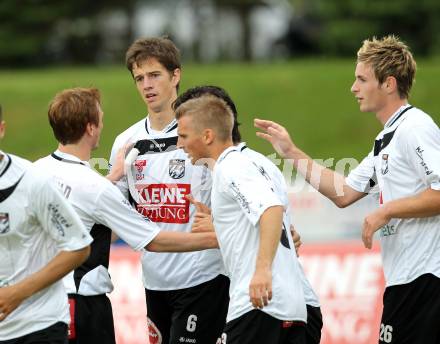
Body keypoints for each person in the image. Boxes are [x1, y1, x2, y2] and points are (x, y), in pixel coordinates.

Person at [254, 35, 440, 344]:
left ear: (389, 84)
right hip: (405, 281)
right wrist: (291, 151)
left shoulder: (415, 128)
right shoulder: (387, 138)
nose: (353, 88)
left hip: (426, 280)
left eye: (361, 79)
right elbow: (344, 192)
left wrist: (387, 210)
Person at [34, 87, 219, 344]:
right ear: (90, 128)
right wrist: (220, 238)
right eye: (100, 118)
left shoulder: (33, 172)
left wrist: (112, 178)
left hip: (36, 300)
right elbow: (153, 240)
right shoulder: (95, 188)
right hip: (82, 304)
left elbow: (76, 202)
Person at [174, 85, 322, 344]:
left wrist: (262, 271)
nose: (179, 144)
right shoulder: (259, 162)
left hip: (261, 304)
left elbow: (271, 210)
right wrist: (223, 224)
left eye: (184, 135)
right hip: (296, 303)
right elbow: (279, 224)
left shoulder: (231, 167)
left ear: (208, 135)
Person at [109, 37, 228, 344]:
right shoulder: (127, 143)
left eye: (154, 75)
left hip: (204, 278)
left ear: (176, 75)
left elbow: (236, 190)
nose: (146, 85)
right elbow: (114, 214)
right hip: (154, 281)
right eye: (139, 78)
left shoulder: (203, 134)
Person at [0, 104, 93, 343]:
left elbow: (78, 247)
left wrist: (17, 293)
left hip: (38, 325)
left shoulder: (32, 181)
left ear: (1, 130)